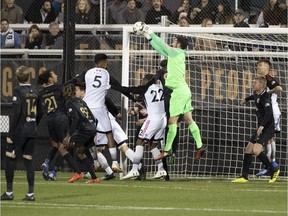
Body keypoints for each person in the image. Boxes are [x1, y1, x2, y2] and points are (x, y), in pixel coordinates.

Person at [137, 22, 206, 162]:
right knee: (188, 119)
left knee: (172, 121)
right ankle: (200, 146)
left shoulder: (177, 52)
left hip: (179, 92)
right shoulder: (176, 55)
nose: (172, 42)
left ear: (178, 44)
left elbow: (163, 45)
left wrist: (149, 31)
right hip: (184, 90)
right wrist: (147, 36)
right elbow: (159, 48)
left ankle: (167, 150)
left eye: (174, 40)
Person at [112, 74, 168, 180]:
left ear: (146, 82)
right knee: (152, 144)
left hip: (153, 120)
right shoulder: (160, 87)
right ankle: (161, 170)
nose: (141, 83)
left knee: (140, 142)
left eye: (142, 81)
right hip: (163, 119)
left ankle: (134, 170)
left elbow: (128, 89)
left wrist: (113, 86)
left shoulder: (145, 89)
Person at [1, 66, 42, 201]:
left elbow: (17, 112)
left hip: (20, 131)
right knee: (28, 161)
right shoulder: (36, 91)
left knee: (9, 159)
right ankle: (30, 194)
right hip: (32, 131)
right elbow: (41, 111)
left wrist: (10, 134)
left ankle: (9, 192)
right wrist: (34, 124)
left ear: (17, 78)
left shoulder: (18, 91)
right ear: (29, 77)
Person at [232, 75, 280, 183]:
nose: (253, 83)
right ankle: (244, 176)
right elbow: (253, 97)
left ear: (262, 85)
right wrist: (245, 99)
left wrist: (262, 126)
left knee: (256, 149)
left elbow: (268, 113)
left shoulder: (265, 97)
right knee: (248, 149)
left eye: (255, 82)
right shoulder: (256, 93)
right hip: (261, 126)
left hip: (268, 127)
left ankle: (273, 169)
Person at [63, 83, 100, 184]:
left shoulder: (69, 103)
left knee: (70, 147)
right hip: (92, 128)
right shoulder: (81, 102)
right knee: (80, 152)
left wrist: (69, 136)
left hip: (86, 129)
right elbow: (94, 119)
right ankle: (94, 177)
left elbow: (75, 119)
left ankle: (77, 173)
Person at [37, 70, 68, 181]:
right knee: (64, 146)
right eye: (54, 74)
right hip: (61, 118)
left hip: (50, 120)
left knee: (56, 145)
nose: (56, 75)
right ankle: (54, 171)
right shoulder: (59, 88)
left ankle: (46, 163)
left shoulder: (41, 93)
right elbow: (66, 102)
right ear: (50, 79)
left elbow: (40, 111)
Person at [255, 59, 282, 176]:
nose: (258, 68)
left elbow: (279, 88)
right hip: (269, 112)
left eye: (260, 66)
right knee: (269, 139)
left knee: (269, 138)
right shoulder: (263, 80)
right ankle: (271, 165)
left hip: (273, 112)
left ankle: (272, 164)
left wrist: (269, 91)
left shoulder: (269, 78)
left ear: (266, 67)